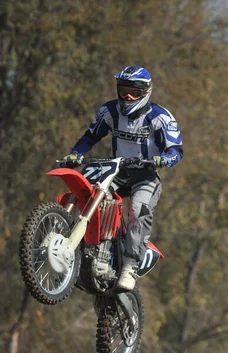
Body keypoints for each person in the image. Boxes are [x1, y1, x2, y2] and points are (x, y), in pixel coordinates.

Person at [61, 65, 184, 291]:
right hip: (115, 171)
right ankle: (92, 250)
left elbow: (176, 150)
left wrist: (165, 159)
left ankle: (129, 266)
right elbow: (91, 136)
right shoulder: (109, 111)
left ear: (146, 92)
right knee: (92, 195)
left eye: (134, 92)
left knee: (138, 210)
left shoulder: (160, 117)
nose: (127, 97)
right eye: (124, 90)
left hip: (145, 175)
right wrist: (76, 153)